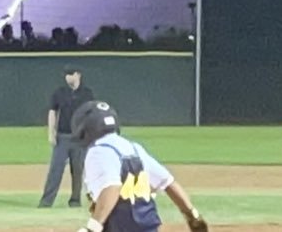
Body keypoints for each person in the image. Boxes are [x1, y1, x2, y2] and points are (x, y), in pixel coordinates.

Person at [69, 100, 209, 232]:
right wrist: (192, 215)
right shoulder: (134, 148)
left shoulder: (98, 151)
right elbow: (167, 182)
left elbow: (112, 187)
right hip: (147, 226)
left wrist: (93, 227)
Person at [40, 67, 94, 208]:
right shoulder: (60, 93)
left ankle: (75, 201)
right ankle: (46, 202)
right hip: (62, 137)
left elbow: (91, 115)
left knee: (77, 170)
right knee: (55, 170)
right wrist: (51, 133)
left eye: (71, 74)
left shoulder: (87, 94)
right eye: (66, 75)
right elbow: (52, 112)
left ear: (78, 75)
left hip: (80, 138)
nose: (68, 77)